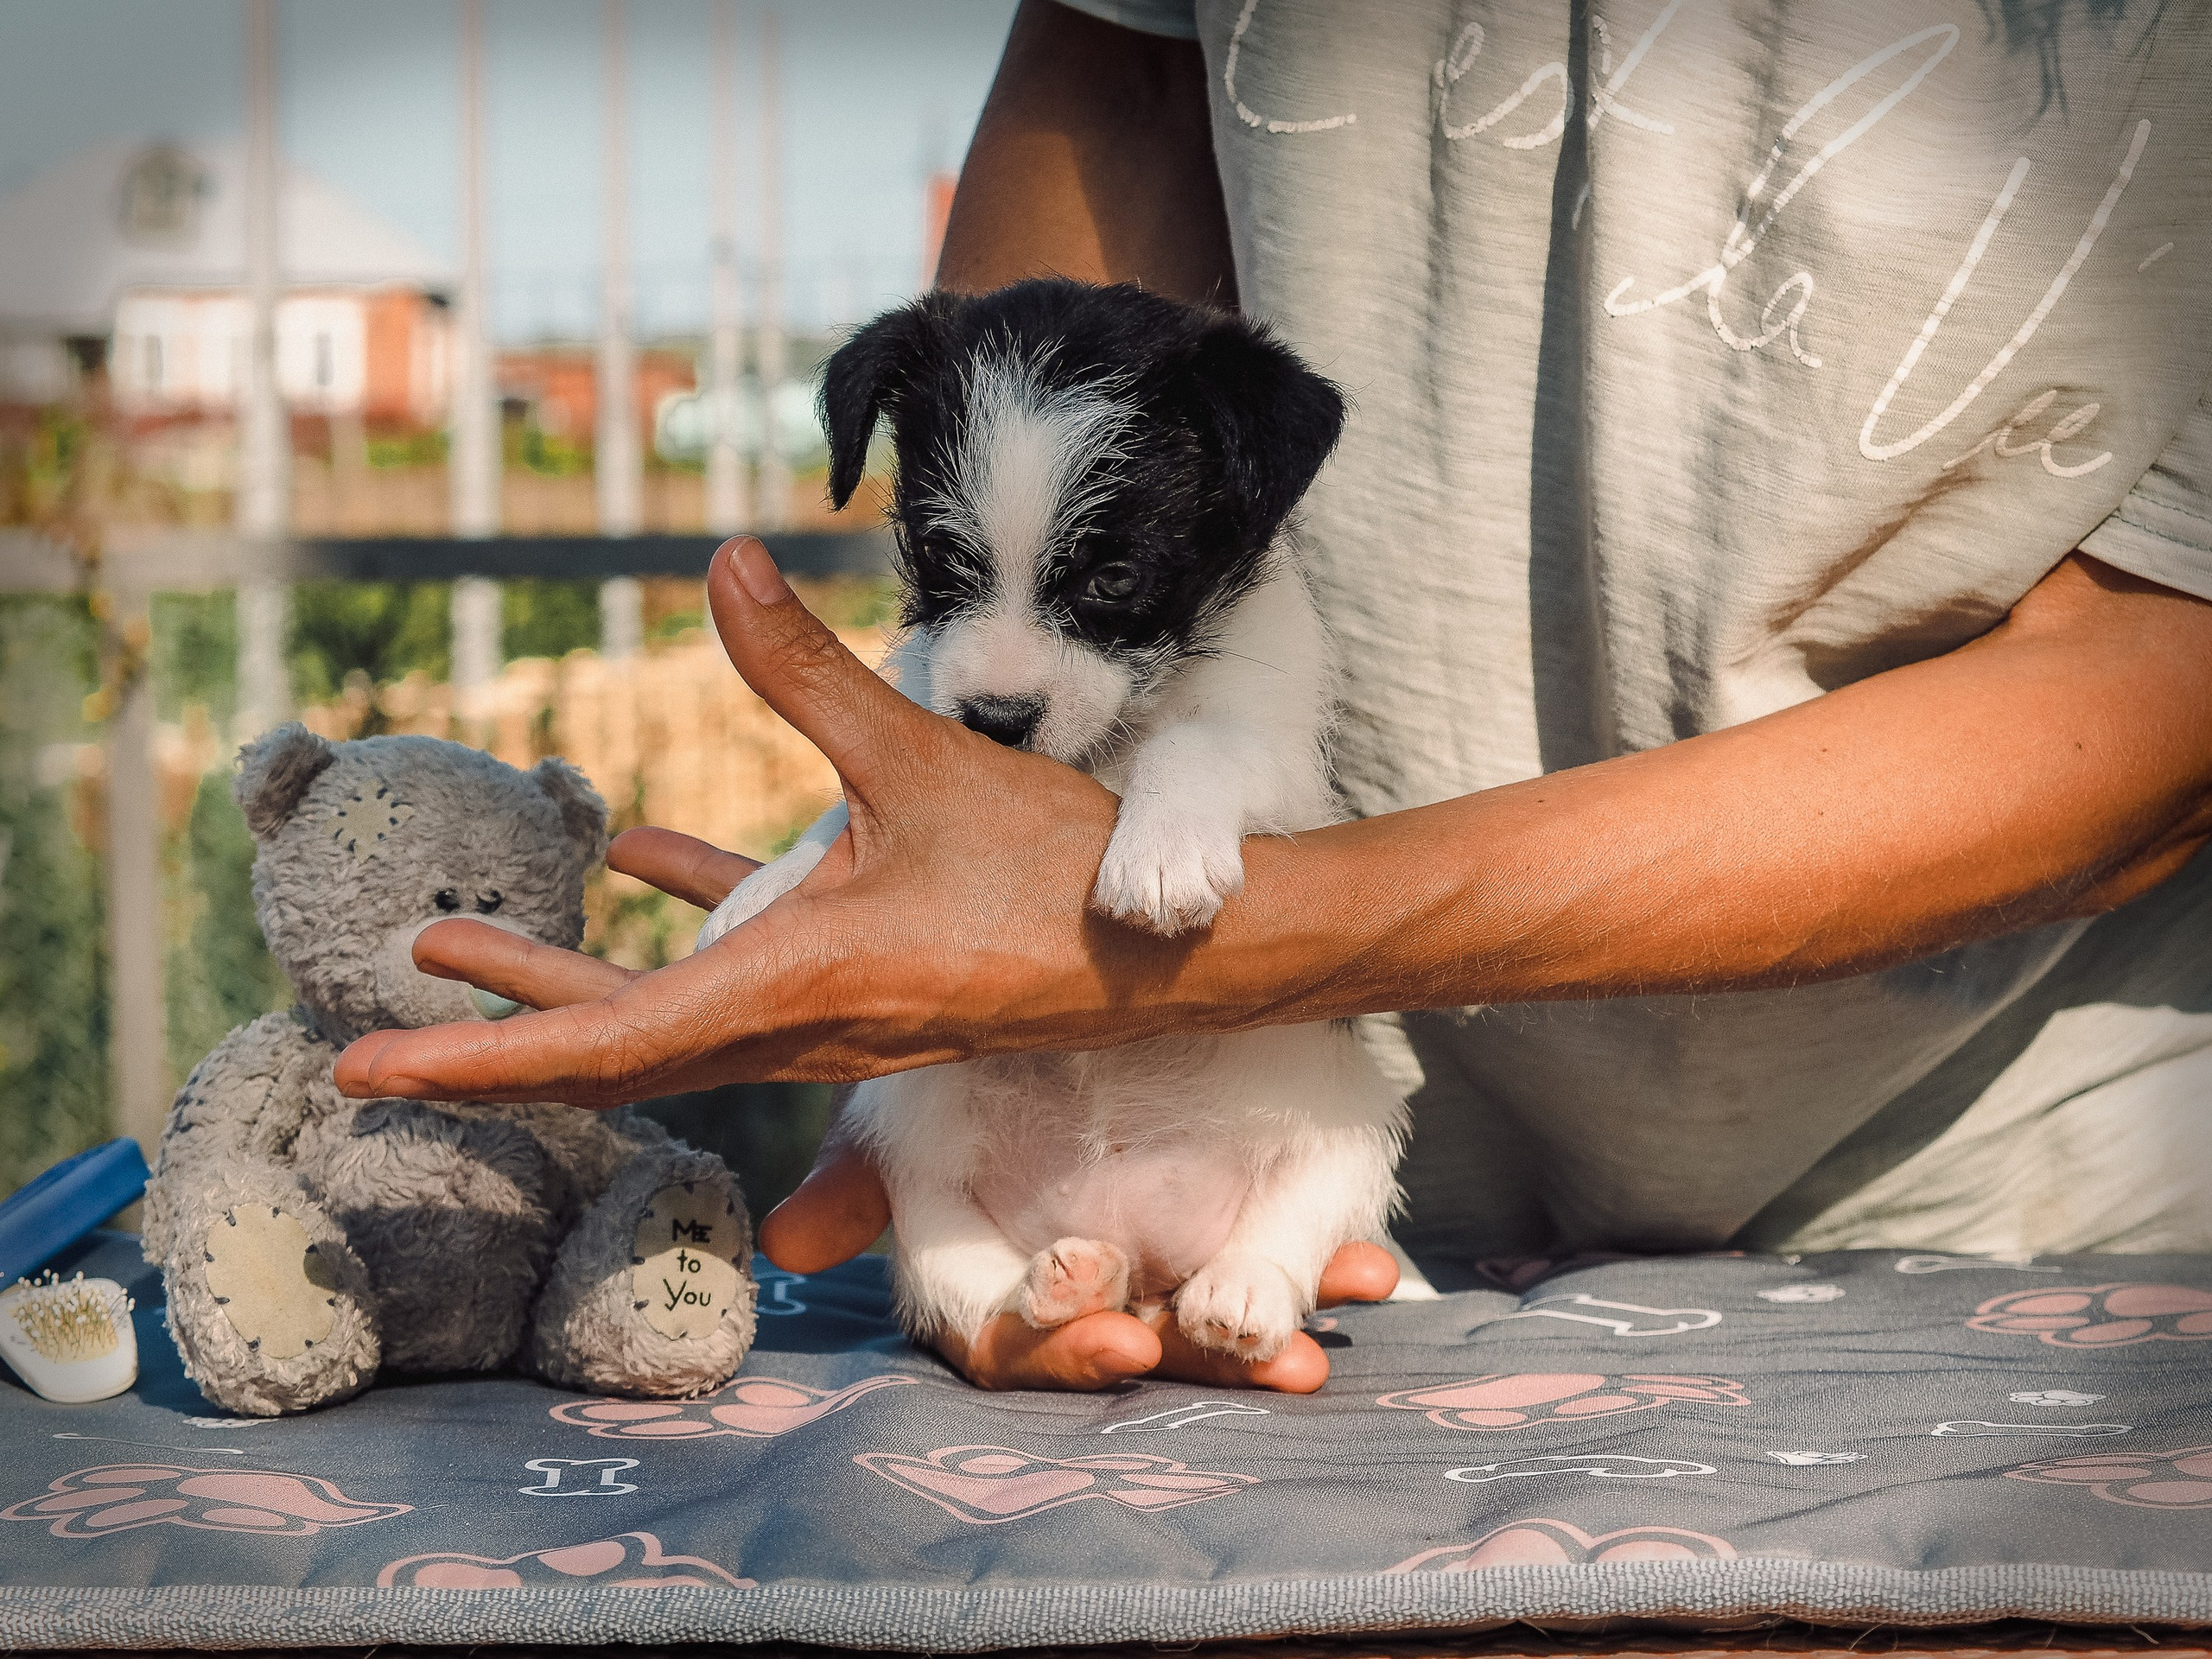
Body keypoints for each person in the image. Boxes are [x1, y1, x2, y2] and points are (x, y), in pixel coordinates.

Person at [337, 2, 2212, 1394]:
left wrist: (1231, 942)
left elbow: (2162, 694)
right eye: (942, 575)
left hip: (2010, 1214)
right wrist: (932, 934)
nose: (992, 672)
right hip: (1336, 1211)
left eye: (1094, 594)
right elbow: (1122, 72)